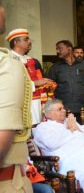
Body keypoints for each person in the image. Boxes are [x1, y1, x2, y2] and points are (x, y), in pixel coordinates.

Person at [0, 42, 33, 191]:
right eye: (25, 39)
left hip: (7, 183)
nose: (29, 42)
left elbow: (2, 142)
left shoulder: (6, 63)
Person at [6, 28, 54, 124]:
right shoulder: (8, 60)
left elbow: (39, 81)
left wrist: (46, 85)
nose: (29, 41)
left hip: (36, 103)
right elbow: (9, 85)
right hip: (20, 104)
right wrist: (36, 83)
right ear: (16, 42)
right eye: (26, 39)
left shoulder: (30, 60)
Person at [47, 40, 84, 124]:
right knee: (65, 134)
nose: (58, 51)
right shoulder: (55, 67)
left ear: (69, 49)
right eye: (57, 49)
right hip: (63, 109)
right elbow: (49, 86)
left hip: (83, 107)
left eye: (60, 48)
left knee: (82, 132)